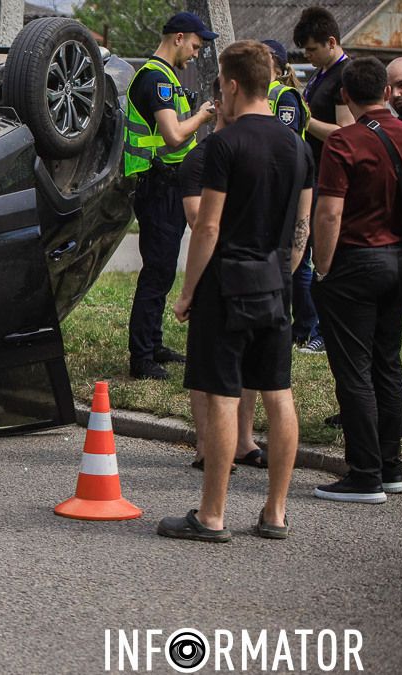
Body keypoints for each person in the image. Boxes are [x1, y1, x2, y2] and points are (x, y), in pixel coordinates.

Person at [158, 40, 314, 543]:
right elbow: (302, 228)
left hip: (227, 284)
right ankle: (274, 513)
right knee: (277, 392)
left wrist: (187, 292)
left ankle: (212, 515)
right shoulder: (299, 146)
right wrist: (285, 273)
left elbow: (207, 227)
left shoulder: (225, 146)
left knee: (224, 395)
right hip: (276, 285)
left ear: (229, 84)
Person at [311, 57, 402, 503]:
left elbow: (329, 211)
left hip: (355, 261)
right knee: (388, 363)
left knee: (354, 371)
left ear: (345, 96)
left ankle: (363, 474)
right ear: (387, 92)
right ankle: (391, 466)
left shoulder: (343, 142)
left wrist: (323, 267)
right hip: (399, 261)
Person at [179, 78, 268, 473]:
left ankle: (243, 440)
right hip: (214, 270)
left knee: (250, 362)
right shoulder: (199, 158)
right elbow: (199, 220)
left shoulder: (250, 150)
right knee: (206, 366)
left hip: (254, 271)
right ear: (219, 101)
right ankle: (205, 444)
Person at [124, 11, 217, 381]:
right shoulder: (155, 80)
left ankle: (154, 343)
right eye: (195, 45)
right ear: (179, 38)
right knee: (157, 272)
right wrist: (203, 116)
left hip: (169, 183)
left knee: (162, 271)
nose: (195, 53)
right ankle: (141, 357)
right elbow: (174, 136)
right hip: (158, 184)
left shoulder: (167, 78)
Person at [291, 6, 356, 355]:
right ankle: (304, 326)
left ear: (331, 42)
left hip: (327, 179)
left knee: (318, 259)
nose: (310, 56)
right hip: (310, 174)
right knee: (303, 258)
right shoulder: (322, 74)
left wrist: (304, 120)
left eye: (313, 50)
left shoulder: (343, 76)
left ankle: (321, 330)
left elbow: (344, 133)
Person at [263, 40, 309, 139]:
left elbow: (287, 142)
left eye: (263, 55)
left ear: (278, 71)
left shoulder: (286, 96)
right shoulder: (252, 93)